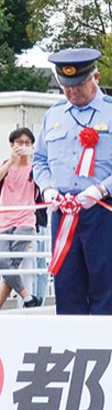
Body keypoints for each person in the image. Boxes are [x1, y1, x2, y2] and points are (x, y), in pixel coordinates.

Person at [32, 48, 112, 315]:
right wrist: (47, 188)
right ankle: (72, 347)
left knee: (108, 286)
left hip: (104, 209)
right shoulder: (55, 114)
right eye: (66, 88)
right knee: (67, 285)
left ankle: (110, 347)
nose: (72, 93)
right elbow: (40, 160)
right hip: (64, 210)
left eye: (79, 86)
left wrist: (102, 188)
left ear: (96, 77)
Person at [0, 127, 44, 309]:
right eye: (19, 143)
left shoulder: (36, 169)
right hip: (4, 221)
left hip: (26, 221)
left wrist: (34, 157)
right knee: (4, 261)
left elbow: (46, 184)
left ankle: (25, 299)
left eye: (27, 143)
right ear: (11, 145)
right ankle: (28, 298)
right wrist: (11, 161)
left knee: (11, 263)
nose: (23, 146)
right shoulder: (6, 165)